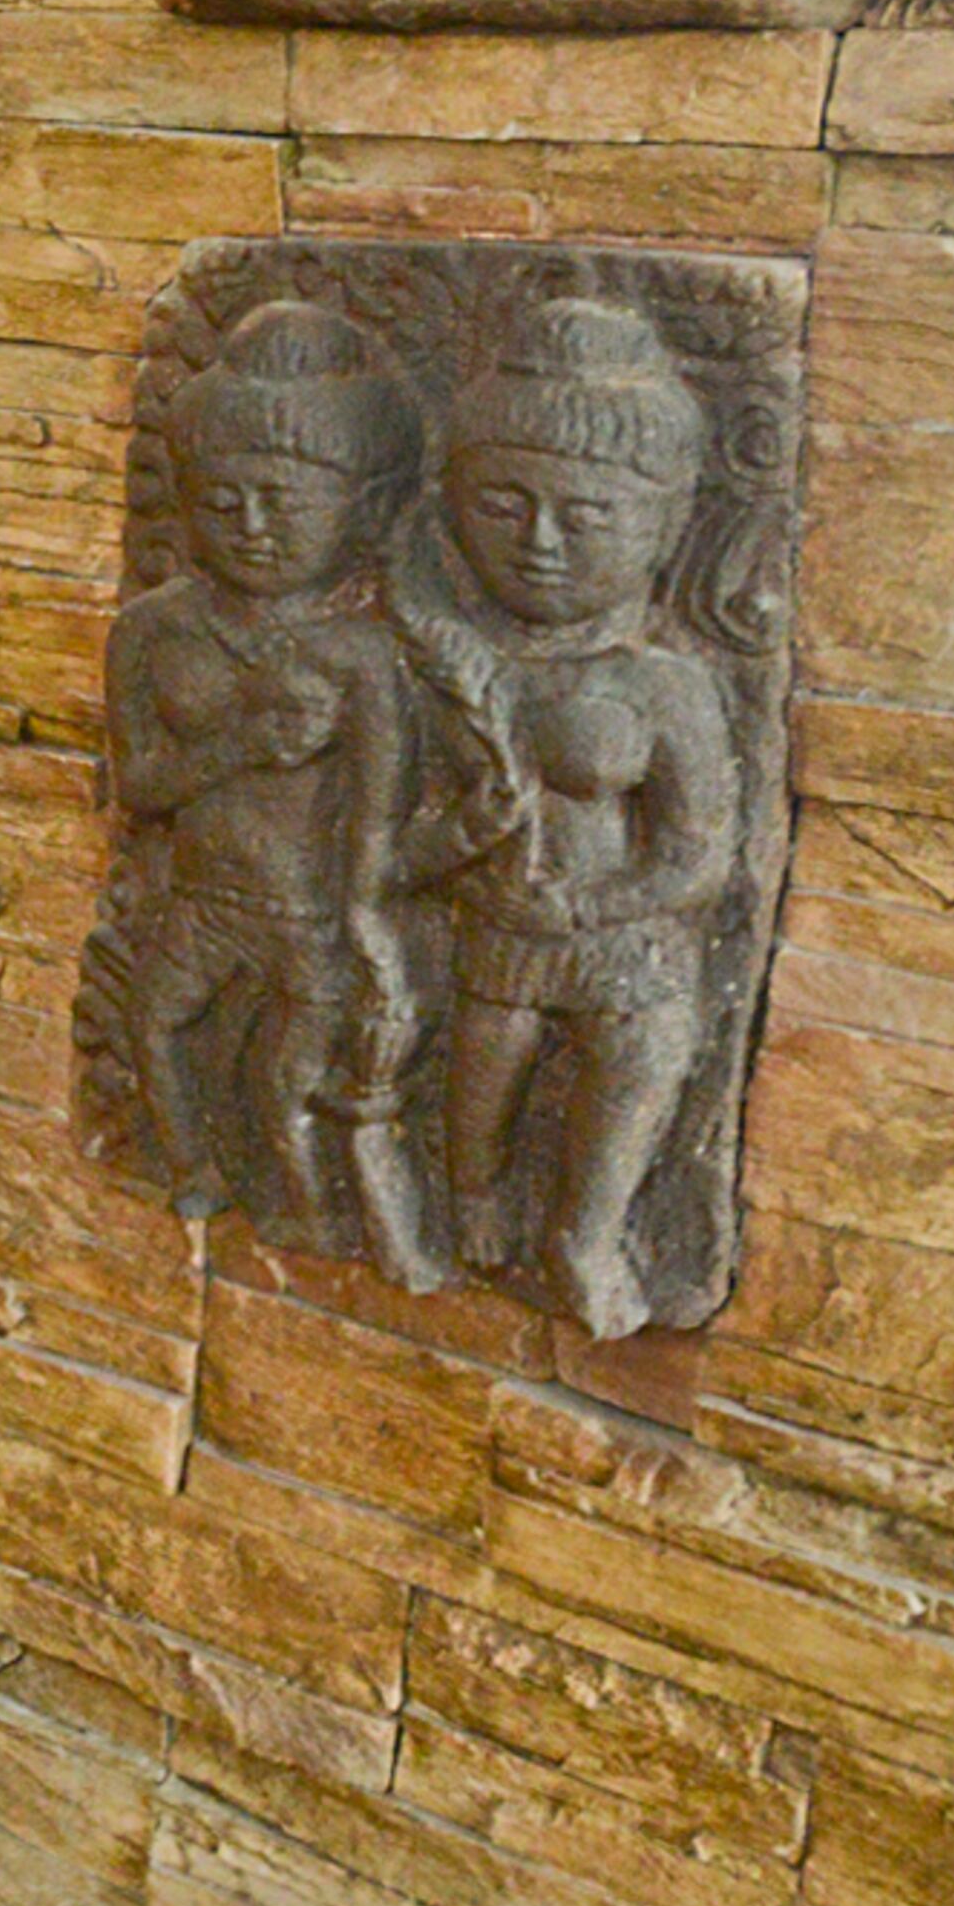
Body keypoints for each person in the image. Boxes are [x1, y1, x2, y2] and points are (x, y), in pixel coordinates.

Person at [425, 297, 736, 1340]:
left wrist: (601, 903)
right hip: (502, 931)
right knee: (487, 1052)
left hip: (624, 934)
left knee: (651, 1044)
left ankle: (589, 1230)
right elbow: (392, 821)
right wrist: (462, 851)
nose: (542, 542)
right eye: (503, 506)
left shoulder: (670, 685)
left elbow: (697, 855)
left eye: (586, 515)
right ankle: (471, 1193)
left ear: (663, 524)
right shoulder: (452, 659)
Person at [105, 299, 432, 1280]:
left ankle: (303, 1199)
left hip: (307, 911)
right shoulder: (157, 630)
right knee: (153, 1023)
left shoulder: (364, 653)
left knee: (291, 1076)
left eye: (284, 503)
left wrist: (375, 929)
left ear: (363, 512)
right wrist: (243, 742)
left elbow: (382, 813)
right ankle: (196, 1160)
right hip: (204, 899)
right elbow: (145, 786)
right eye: (222, 501)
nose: (250, 528)